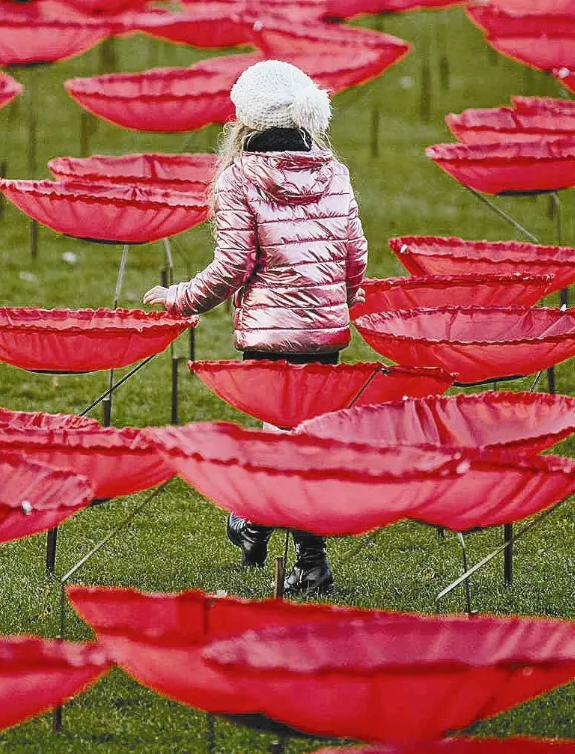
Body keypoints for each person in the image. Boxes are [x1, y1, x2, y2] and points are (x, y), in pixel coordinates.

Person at [143, 60, 368, 595]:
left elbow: (232, 267)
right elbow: (356, 255)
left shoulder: (239, 177)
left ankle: (291, 549)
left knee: (283, 447)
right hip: (327, 335)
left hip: (269, 335)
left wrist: (181, 299)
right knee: (301, 445)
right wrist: (341, 301)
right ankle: (262, 527)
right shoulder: (334, 171)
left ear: (244, 120)